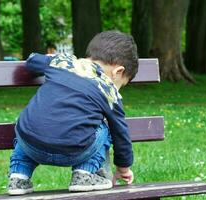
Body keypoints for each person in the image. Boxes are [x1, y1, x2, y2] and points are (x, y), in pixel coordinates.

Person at [8, 30, 138, 195]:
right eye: (122, 84)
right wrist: (123, 168)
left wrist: (55, 59)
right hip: (74, 152)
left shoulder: (63, 62)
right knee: (106, 127)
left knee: (31, 124)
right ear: (118, 72)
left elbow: (32, 61)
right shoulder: (109, 91)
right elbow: (121, 133)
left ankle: (18, 176)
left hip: (30, 145)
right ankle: (84, 174)